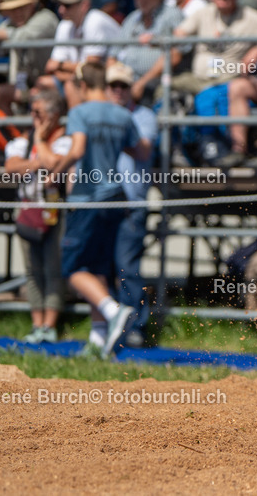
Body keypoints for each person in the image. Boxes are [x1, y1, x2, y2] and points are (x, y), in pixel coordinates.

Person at [50, 61, 152, 357]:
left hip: (88, 200)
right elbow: (142, 151)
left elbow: (78, 150)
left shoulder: (80, 112)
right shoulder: (123, 114)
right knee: (98, 269)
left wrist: (54, 173)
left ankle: (112, 309)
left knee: (72, 269)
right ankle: (98, 340)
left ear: (82, 85)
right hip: (116, 199)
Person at [3, 90, 71, 343]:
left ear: (54, 116)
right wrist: (36, 163)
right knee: (33, 270)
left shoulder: (64, 140)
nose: (32, 117)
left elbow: (55, 163)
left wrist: (41, 143)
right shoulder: (23, 141)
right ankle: (36, 323)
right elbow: (11, 168)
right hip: (29, 211)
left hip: (53, 211)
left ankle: (50, 326)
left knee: (53, 268)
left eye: (38, 112)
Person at [107, 62, 158, 347]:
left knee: (127, 266)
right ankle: (108, 324)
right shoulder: (102, 113)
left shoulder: (144, 116)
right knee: (104, 267)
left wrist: (118, 128)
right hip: (101, 203)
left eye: (123, 86)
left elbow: (143, 150)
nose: (118, 91)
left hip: (131, 202)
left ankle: (136, 325)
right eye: (113, 86)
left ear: (132, 90)